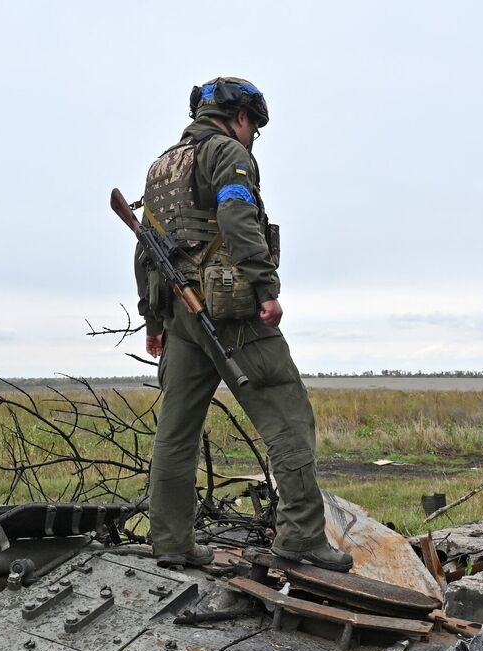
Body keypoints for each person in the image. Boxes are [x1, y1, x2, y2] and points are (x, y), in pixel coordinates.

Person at [134, 77, 353, 572]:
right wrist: (265, 288)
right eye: (253, 124)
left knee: (176, 433)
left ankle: (170, 542)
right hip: (230, 312)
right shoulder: (227, 154)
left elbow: (145, 246)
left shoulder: (160, 167)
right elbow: (237, 217)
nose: (253, 134)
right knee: (287, 414)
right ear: (238, 117)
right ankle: (300, 536)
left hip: (179, 314)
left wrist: (154, 318)